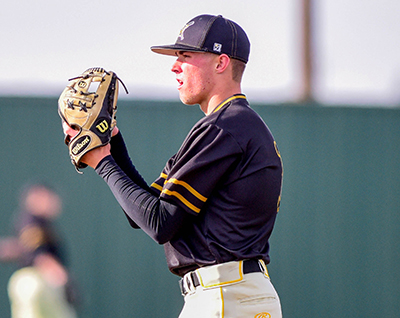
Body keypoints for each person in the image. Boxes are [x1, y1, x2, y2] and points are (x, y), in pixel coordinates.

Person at [64, 14, 283, 318]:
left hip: (225, 294)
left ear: (221, 63)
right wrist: (113, 144)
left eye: (186, 55)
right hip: (230, 293)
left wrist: (101, 161)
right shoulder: (229, 126)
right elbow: (145, 211)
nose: (174, 66)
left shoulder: (225, 128)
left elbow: (159, 223)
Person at [0, 182, 79, 318]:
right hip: (37, 282)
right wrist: (64, 281)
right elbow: (40, 257)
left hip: (30, 282)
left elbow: (18, 249)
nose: (54, 201)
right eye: (49, 197)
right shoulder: (32, 221)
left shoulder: (40, 223)